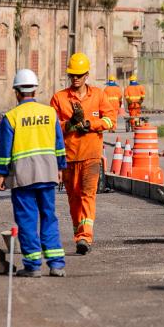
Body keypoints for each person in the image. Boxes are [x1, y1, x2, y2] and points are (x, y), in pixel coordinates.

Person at [0, 69, 67, 277]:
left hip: (23, 177)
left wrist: (1, 174)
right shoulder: (50, 113)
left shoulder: (11, 117)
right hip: (47, 173)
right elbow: (59, 145)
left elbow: (5, 151)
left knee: (27, 219)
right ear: (35, 90)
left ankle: (33, 265)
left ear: (17, 92)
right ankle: (56, 264)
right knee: (49, 217)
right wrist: (60, 168)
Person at [50, 53, 117, 255]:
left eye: (79, 74)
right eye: (72, 75)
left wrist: (91, 125)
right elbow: (52, 129)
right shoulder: (59, 98)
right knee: (74, 198)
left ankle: (85, 237)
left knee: (88, 195)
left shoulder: (98, 95)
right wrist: (69, 124)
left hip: (91, 157)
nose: (75, 78)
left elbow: (110, 120)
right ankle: (78, 232)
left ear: (86, 75)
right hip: (69, 158)